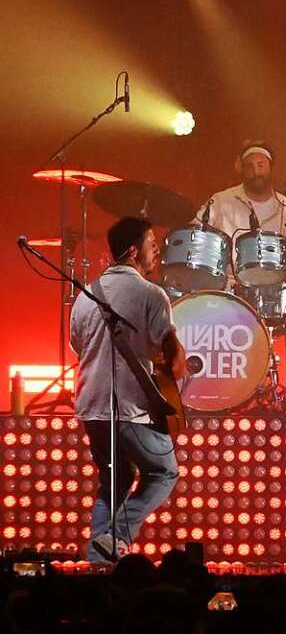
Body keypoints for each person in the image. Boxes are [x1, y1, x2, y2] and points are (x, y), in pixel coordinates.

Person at [70, 217, 186, 562]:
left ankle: (98, 558)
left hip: (90, 404)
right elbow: (175, 363)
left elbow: (79, 346)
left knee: (116, 479)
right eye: (153, 246)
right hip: (128, 408)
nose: (158, 252)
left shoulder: (86, 294)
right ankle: (117, 535)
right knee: (164, 471)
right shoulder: (152, 294)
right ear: (134, 252)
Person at [197, 141, 286, 361]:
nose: (256, 171)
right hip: (231, 285)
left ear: (270, 168)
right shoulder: (221, 201)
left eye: (261, 165)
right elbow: (196, 234)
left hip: (276, 288)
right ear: (241, 170)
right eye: (250, 166)